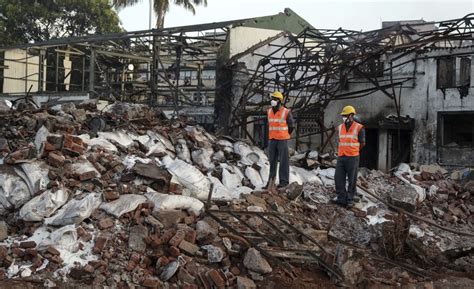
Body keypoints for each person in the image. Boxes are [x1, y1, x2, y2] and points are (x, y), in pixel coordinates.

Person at [332, 105, 365, 207]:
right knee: (338, 177)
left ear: (351, 115)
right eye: (343, 115)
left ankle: (350, 199)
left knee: (352, 179)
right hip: (342, 156)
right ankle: (341, 198)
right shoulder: (341, 127)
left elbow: (362, 143)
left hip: (353, 157)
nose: (344, 117)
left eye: (346, 115)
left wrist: (355, 151)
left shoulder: (359, 128)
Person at [266, 91, 295, 189]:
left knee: (283, 161)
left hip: (282, 140)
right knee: (272, 161)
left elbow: (291, 126)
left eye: (274, 99)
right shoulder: (269, 111)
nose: (272, 101)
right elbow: (269, 125)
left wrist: (286, 135)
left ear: (279, 101)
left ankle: (284, 182)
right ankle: (271, 182)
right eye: (272, 99)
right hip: (272, 139)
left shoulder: (286, 112)